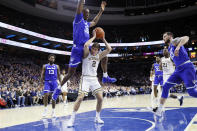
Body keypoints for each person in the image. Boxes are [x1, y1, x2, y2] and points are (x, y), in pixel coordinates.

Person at [52, 0, 116, 100]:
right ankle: (58, 88)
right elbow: (79, 7)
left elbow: (95, 22)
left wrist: (101, 11)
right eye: (86, 13)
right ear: (82, 13)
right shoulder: (78, 19)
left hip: (87, 47)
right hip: (77, 49)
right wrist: (81, 1)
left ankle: (105, 75)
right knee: (71, 73)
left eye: (88, 13)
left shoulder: (87, 24)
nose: (87, 14)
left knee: (104, 56)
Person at [67, 29, 112, 127]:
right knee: (80, 98)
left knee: (100, 98)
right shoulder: (86, 54)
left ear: (98, 50)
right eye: (93, 49)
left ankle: (97, 117)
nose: (94, 50)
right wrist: (94, 37)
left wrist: (103, 39)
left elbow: (109, 49)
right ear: (92, 49)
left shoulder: (99, 56)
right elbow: (86, 45)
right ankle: (72, 119)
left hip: (94, 79)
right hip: (85, 78)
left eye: (96, 49)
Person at [154, 32, 197, 116]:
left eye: (164, 36)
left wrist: (178, 47)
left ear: (170, 36)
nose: (163, 38)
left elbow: (186, 37)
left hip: (186, 67)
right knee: (165, 87)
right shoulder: (169, 48)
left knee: (191, 92)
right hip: (178, 70)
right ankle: (159, 109)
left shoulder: (174, 41)